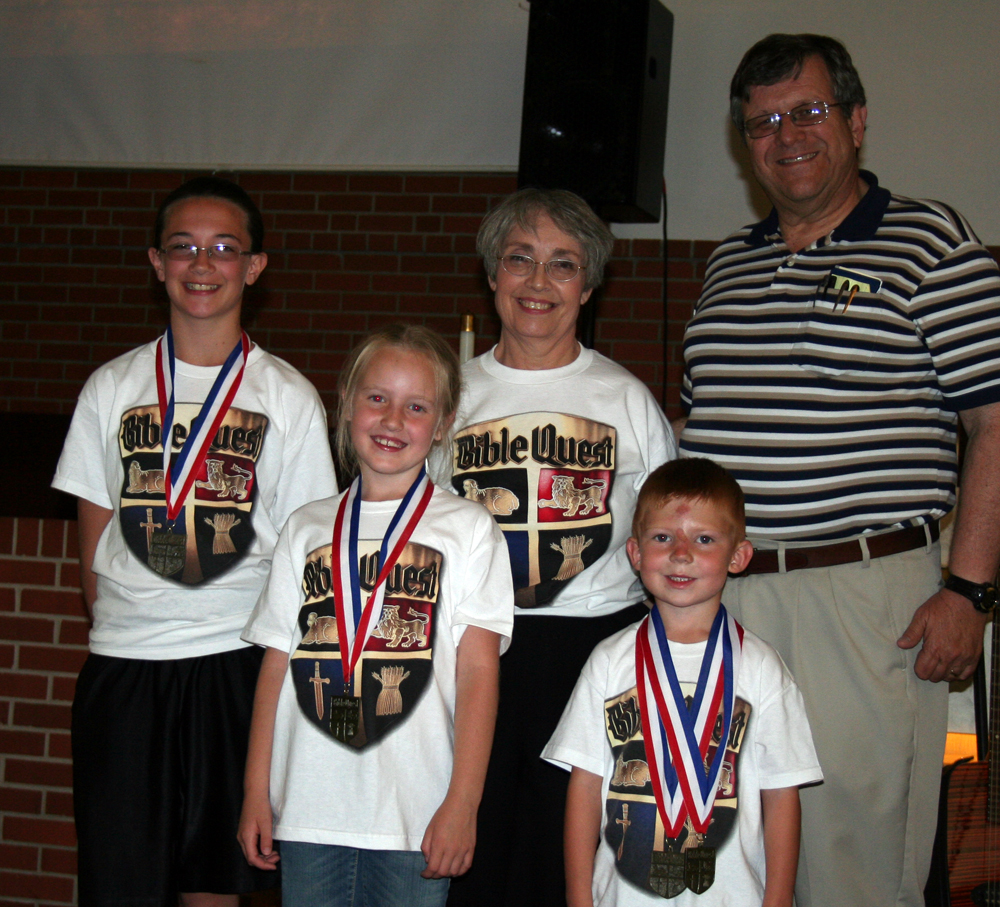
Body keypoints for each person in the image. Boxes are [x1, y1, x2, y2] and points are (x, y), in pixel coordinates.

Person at [678, 33, 1000, 907]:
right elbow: (704, 434)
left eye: (809, 111)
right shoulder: (726, 266)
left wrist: (969, 591)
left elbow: (994, 424)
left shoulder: (930, 241)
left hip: (859, 602)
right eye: (763, 123)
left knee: (853, 862)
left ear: (856, 121)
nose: (786, 136)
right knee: (721, 852)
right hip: (725, 600)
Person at [52, 176, 339, 907]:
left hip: (234, 664)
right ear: (157, 262)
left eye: (223, 248)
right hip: (126, 667)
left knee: (214, 887)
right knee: (120, 885)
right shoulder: (111, 387)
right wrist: (132, 621)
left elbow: (306, 552)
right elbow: (93, 544)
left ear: (254, 266)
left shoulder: (287, 396)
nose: (202, 263)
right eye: (183, 247)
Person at [437, 188, 676, 907]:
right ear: (492, 273)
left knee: (569, 860)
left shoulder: (626, 399)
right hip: (472, 647)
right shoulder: (449, 394)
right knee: (468, 852)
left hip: (590, 649)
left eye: (563, 264)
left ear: (588, 285)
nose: (538, 282)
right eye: (520, 259)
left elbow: (669, 539)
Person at [238, 324, 515, 907]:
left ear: (442, 424)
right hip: (309, 807)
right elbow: (275, 665)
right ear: (346, 403)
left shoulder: (469, 530)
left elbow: (478, 673)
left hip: (416, 813)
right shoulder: (306, 527)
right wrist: (255, 789)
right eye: (377, 398)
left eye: (416, 407)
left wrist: (463, 802)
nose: (392, 420)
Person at [544, 458, 822, 906]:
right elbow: (584, 786)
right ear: (635, 553)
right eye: (662, 537)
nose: (681, 553)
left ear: (738, 556)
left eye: (704, 539)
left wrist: (777, 900)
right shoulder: (608, 662)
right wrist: (579, 895)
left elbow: (782, 796)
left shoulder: (762, 669)